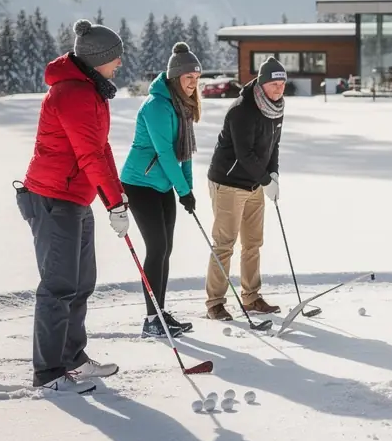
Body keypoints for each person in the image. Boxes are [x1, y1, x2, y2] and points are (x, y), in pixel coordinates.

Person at [16, 19, 129, 393]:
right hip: (53, 198)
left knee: (81, 284)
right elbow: (89, 154)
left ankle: (72, 358)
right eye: (115, 57)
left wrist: (117, 197)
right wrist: (113, 203)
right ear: (97, 59)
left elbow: (101, 148)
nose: (119, 63)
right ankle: (49, 373)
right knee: (58, 286)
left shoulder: (91, 90)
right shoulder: (73, 94)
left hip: (74, 197)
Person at [121, 42, 203, 338]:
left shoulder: (182, 105)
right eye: (188, 77)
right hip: (139, 183)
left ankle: (160, 312)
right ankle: (151, 319)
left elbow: (185, 153)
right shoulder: (156, 105)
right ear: (174, 77)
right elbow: (166, 153)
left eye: (196, 78)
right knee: (156, 248)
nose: (193, 83)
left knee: (165, 249)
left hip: (163, 184)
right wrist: (181, 190)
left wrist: (187, 189)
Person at [203, 55, 287, 319]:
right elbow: (244, 154)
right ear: (261, 83)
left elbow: (273, 146)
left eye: (282, 84)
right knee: (224, 243)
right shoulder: (243, 110)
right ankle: (215, 303)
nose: (279, 89)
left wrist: (273, 174)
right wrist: (266, 181)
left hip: (255, 183)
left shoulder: (276, 108)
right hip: (228, 182)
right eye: (274, 84)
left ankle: (251, 297)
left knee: (253, 243)